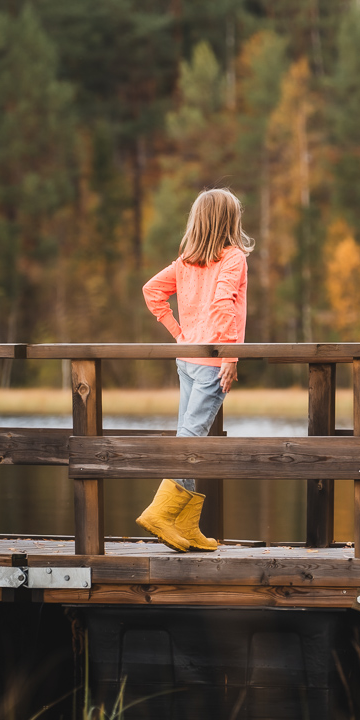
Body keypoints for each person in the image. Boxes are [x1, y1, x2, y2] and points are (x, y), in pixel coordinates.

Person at [136, 188, 253, 553]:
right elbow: (222, 303)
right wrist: (230, 356)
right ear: (229, 222)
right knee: (190, 438)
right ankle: (159, 513)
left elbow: (151, 291)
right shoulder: (232, 258)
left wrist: (180, 335)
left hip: (186, 358)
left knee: (191, 437)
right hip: (210, 362)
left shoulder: (184, 263)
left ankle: (186, 523)